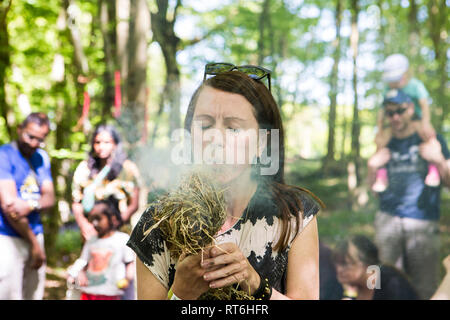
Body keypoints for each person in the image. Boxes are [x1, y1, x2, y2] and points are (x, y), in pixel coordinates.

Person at [127, 63, 323, 300]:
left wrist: (255, 285)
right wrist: (181, 294)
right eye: (205, 125)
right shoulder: (157, 224)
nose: (216, 139)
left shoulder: (294, 214)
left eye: (233, 128)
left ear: (262, 142)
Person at [367, 89, 450, 299]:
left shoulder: (430, 137)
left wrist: (439, 160)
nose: (395, 117)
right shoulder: (384, 140)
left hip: (422, 223)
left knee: (425, 286)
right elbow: (373, 191)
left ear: (411, 109)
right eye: (390, 112)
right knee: (379, 281)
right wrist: (371, 166)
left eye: (400, 110)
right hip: (387, 220)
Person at [71, 124, 141, 299]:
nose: (101, 146)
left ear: (116, 144)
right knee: (93, 281)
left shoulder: (128, 169)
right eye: (97, 142)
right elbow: (76, 202)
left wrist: (114, 225)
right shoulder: (84, 169)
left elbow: (134, 203)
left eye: (107, 142)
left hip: (120, 236)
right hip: (92, 237)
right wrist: (85, 225)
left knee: (121, 282)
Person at [0, 112, 55, 300]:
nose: (33, 143)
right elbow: (10, 208)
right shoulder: (4, 155)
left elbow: (49, 198)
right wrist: (34, 244)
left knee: (33, 295)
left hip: (35, 233)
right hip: (8, 237)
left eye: (40, 140)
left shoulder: (42, 158)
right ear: (19, 129)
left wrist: (30, 204)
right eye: (30, 136)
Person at [372, 53, 439, 192]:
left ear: (405, 74)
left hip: (417, 118)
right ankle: (381, 174)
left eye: (396, 79)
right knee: (380, 140)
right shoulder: (388, 89)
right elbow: (382, 111)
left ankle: (434, 169)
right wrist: (379, 129)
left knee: (429, 135)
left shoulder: (415, 85)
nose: (393, 83)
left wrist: (426, 122)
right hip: (396, 124)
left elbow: (424, 105)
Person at [67, 196, 135, 300]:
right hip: (89, 292)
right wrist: (78, 273)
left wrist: (127, 280)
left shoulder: (122, 239)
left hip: (111, 294)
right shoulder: (91, 241)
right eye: (92, 219)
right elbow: (83, 261)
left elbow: (129, 263)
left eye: (98, 219)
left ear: (112, 218)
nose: (94, 223)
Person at [333, 235, 419, 300]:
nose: (339, 269)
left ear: (366, 263)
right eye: (337, 263)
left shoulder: (391, 284)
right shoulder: (344, 285)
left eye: (345, 264)